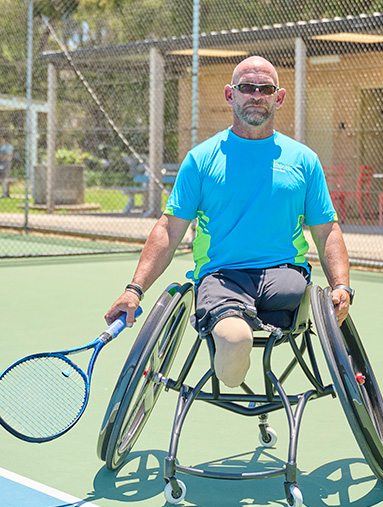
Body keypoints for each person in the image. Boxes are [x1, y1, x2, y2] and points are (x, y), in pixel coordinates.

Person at [105, 56, 354, 388]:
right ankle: (234, 364)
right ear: (230, 95)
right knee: (235, 341)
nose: (255, 95)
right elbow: (168, 229)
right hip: (222, 279)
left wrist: (341, 287)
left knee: (298, 299)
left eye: (264, 89)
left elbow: (327, 231)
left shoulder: (303, 160)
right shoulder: (201, 159)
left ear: (278, 98)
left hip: (285, 279)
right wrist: (134, 290)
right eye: (246, 87)